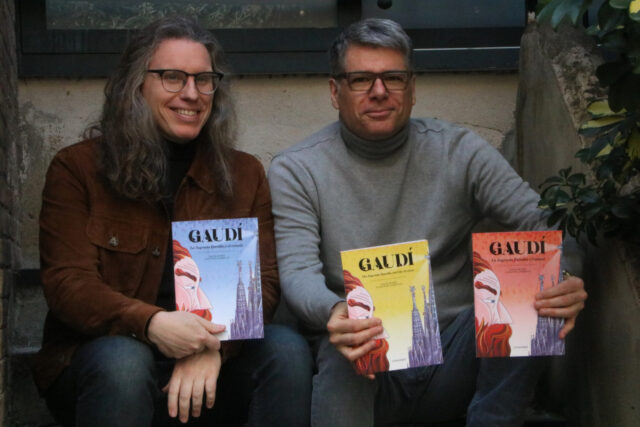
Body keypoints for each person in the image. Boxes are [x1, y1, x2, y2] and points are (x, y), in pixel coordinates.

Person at [268, 18, 588, 426]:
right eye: (361, 79)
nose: (379, 91)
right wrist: (336, 310)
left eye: (393, 78)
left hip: (455, 357)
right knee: (346, 341)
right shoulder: (298, 169)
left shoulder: (459, 151)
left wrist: (565, 276)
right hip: (368, 367)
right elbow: (297, 272)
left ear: (412, 88)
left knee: (526, 287)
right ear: (335, 91)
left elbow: (545, 223)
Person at [34, 16, 312, 427]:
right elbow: (68, 285)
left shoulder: (244, 173)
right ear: (136, 85)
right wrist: (151, 324)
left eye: (204, 80)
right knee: (123, 361)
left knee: (286, 349)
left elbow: (265, 283)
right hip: (105, 362)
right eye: (173, 77)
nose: (192, 93)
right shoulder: (77, 168)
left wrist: (215, 347)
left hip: (209, 368)